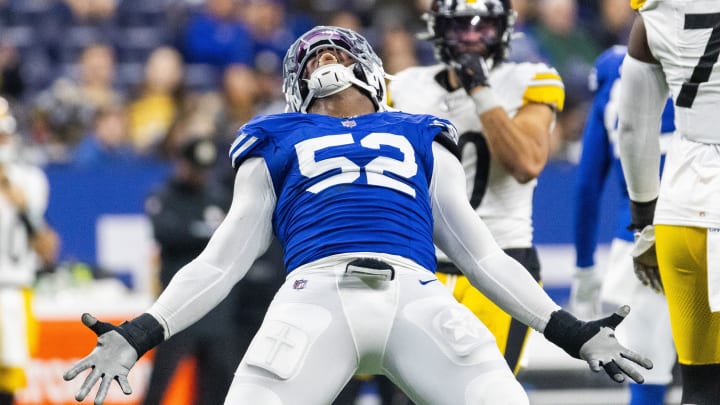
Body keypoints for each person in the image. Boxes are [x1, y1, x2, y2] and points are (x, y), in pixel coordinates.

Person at [63, 25, 651, 405]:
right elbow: (221, 261)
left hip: (419, 293)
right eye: (311, 54)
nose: (323, 53)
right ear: (296, 88)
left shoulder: (419, 130)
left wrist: (570, 332)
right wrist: (140, 332)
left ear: (373, 75)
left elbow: (480, 254)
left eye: (336, 49)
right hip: (312, 297)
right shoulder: (273, 135)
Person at [389, 0, 564, 375]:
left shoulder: (531, 79)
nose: (471, 38)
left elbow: (526, 164)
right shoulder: (403, 87)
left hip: (502, 259)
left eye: (482, 27)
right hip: (422, 262)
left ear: (503, 29)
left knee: (485, 388)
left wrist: (481, 92)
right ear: (437, 29)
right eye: (459, 27)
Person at [617, 2, 720, 404]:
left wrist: (644, 222)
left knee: (701, 387)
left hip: (683, 210)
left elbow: (633, 127)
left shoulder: (657, 11)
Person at [570, 45, 676, 405]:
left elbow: (587, 186)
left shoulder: (614, 70)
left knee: (648, 379)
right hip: (707, 226)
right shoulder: (701, 54)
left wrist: (584, 268)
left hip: (639, 242)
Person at [142, 136, 284, 404]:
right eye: (194, 168)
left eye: (204, 170)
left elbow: (238, 238)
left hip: (217, 312)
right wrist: (208, 232)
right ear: (181, 164)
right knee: (158, 387)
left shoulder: (219, 196)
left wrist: (197, 231)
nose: (199, 176)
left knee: (217, 390)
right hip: (177, 309)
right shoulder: (164, 196)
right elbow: (167, 233)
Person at [0, 97, 59, 405]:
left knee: (8, 384)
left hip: (13, 291)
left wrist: (24, 210)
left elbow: (47, 247)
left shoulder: (29, 181)